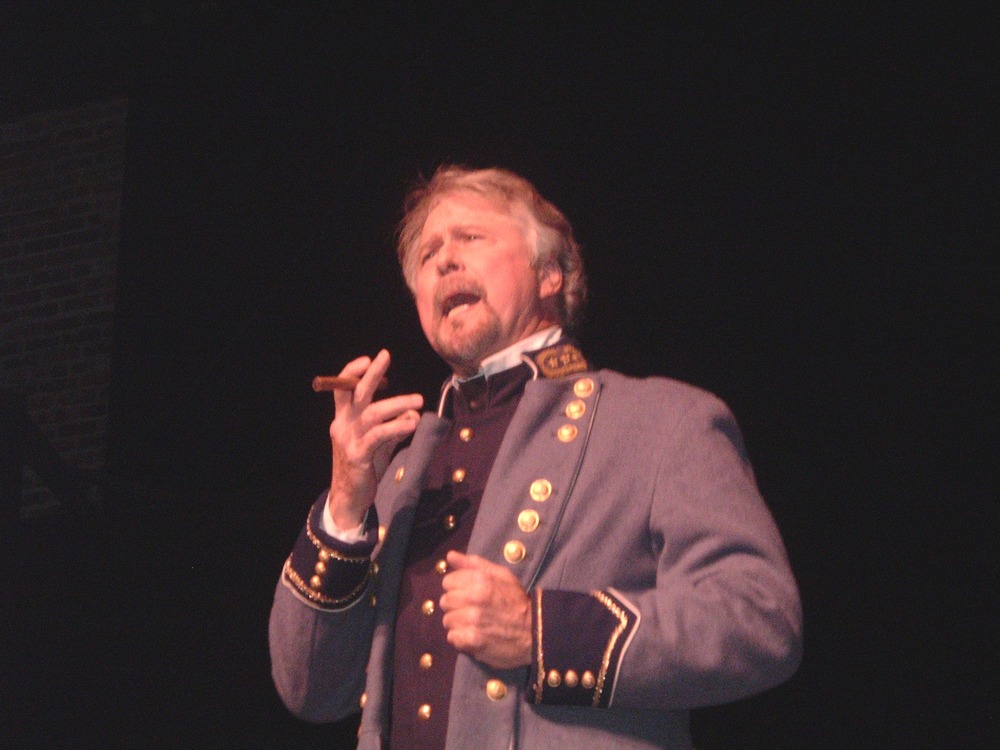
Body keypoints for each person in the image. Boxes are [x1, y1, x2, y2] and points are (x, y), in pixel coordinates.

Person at [269, 165, 802, 750]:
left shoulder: (661, 422)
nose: (444, 261)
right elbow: (309, 690)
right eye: (427, 255)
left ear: (550, 274)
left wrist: (540, 632)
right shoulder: (400, 473)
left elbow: (760, 619)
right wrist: (346, 506)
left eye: (470, 238)